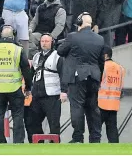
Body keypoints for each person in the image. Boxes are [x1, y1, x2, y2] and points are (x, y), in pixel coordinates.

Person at [57, 12, 105, 143]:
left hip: (78, 76)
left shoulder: (73, 37)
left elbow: (60, 51)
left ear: (79, 23)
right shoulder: (100, 39)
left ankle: (78, 137)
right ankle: (95, 137)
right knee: (93, 108)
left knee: (77, 106)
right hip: (94, 76)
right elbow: (101, 61)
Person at [0, 25, 32, 144]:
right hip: (14, 88)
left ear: (0, 35)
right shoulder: (17, 49)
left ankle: (0, 141)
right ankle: (18, 141)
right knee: (17, 115)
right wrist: (28, 88)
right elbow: (26, 69)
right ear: (13, 36)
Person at [30, 33, 66, 141]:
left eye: (46, 41)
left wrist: (64, 91)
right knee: (33, 123)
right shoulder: (36, 56)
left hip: (52, 96)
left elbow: (63, 74)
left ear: (52, 43)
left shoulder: (57, 56)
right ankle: (39, 145)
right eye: (42, 41)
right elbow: (32, 74)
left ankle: (55, 147)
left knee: (54, 124)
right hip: (37, 95)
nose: (44, 44)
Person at [98, 45, 125, 143]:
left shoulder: (102, 66)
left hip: (100, 103)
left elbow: (97, 84)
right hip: (113, 104)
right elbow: (120, 87)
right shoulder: (120, 68)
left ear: (105, 56)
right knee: (113, 130)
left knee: (96, 132)